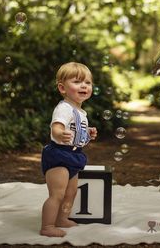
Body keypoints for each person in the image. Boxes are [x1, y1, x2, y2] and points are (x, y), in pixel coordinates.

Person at [40, 62, 97, 237]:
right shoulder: (64, 108)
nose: (84, 86)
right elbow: (56, 127)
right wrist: (59, 134)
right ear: (62, 88)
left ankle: (61, 219)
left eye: (87, 83)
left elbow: (76, 131)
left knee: (71, 192)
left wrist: (88, 133)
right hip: (59, 155)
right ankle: (47, 226)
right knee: (57, 193)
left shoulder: (81, 112)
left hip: (74, 154)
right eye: (78, 82)